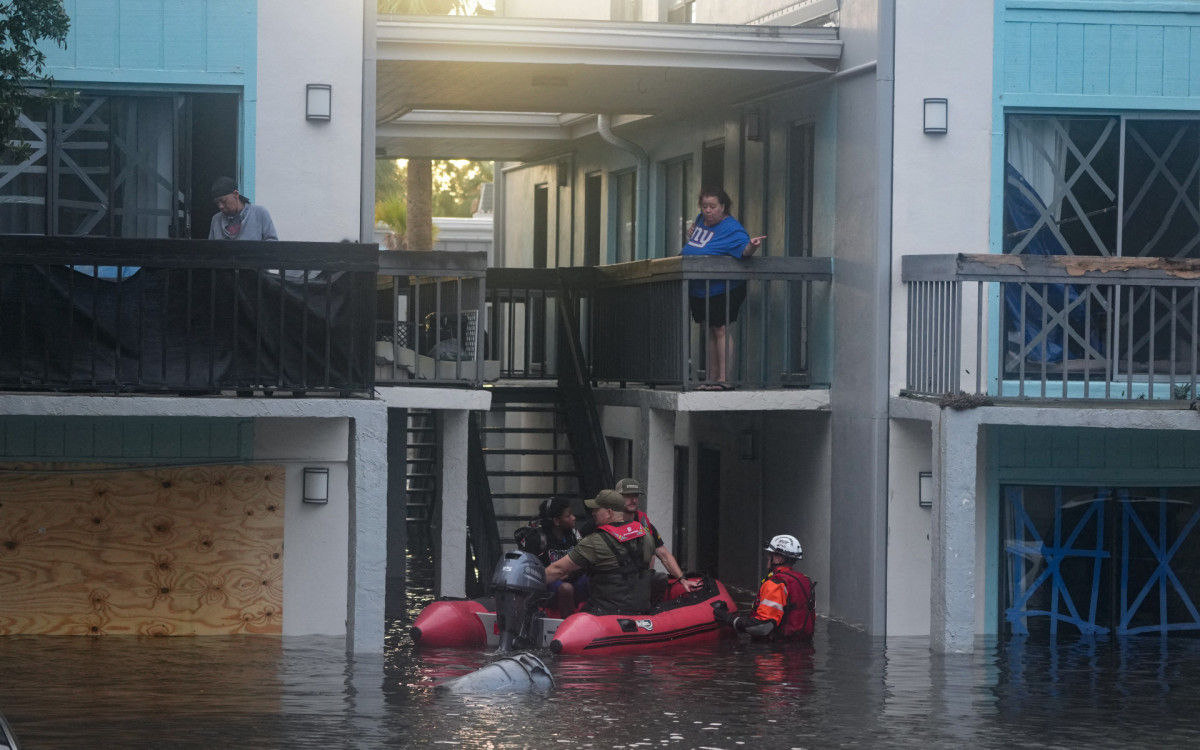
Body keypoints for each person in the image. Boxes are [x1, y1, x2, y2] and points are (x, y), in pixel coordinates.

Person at [681, 187, 764, 390]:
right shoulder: (700, 220)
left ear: (723, 207)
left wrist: (752, 246)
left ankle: (724, 379)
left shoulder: (732, 229)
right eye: (704, 206)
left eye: (712, 207)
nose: (708, 210)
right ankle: (710, 379)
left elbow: (744, 250)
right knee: (708, 329)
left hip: (722, 287)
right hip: (699, 286)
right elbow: (697, 243)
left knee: (721, 328)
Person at [544, 489, 655, 615]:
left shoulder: (594, 542)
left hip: (605, 612)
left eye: (597, 509)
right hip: (641, 610)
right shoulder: (646, 535)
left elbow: (558, 569)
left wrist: (530, 582)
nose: (593, 513)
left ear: (608, 513)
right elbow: (649, 566)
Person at [712, 534, 815, 640]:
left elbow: (762, 626)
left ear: (778, 559)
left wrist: (728, 619)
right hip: (801, 648)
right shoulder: (805, 581)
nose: (767, 558)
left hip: (776, 650)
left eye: (770, 555)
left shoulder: (775, 584)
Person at [614, 477, 698, 595]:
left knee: (660, 579)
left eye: (636, 496)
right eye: (628, 496)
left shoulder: (645, 525)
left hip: (639, 580)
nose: (633, 500)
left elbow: (664, 555)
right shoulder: (605, 521)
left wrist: (682, 579)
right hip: (614, 581)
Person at [515, 496, 588, 616]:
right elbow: (532, 571)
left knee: (594, 580)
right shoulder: (538, 538)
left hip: (572, 577)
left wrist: (571, 574)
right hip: (548, 585)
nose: (574, 518)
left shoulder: (573, 536)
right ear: (556, 521)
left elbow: (583, 562)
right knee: (566, 589)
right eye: (568, 516)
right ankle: (567, 625)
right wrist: (557, 575)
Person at [208, 176, 279, 241]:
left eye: (224, 201)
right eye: (217, 203)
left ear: (236, 194)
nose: (220, 206)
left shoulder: (259, 213)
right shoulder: (216, 220)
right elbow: (211, 249)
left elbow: (272, 243)